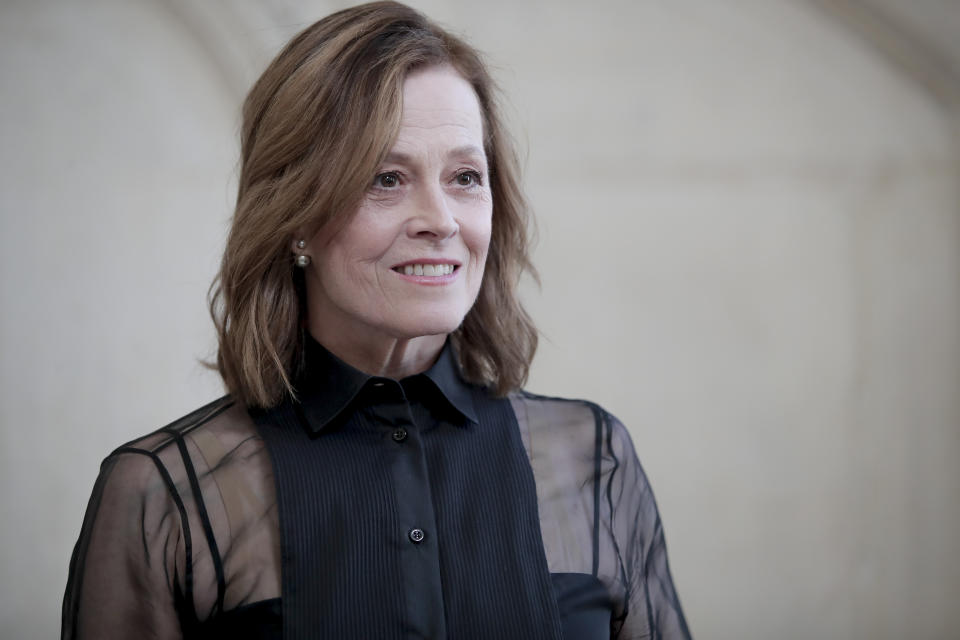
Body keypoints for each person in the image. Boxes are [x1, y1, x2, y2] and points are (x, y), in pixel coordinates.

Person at [61, 2, 691, 638]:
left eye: (465, 176)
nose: (440, 220)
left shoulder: (593, 458)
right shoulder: (164, 494)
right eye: (386, 178)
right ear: (295, 214)